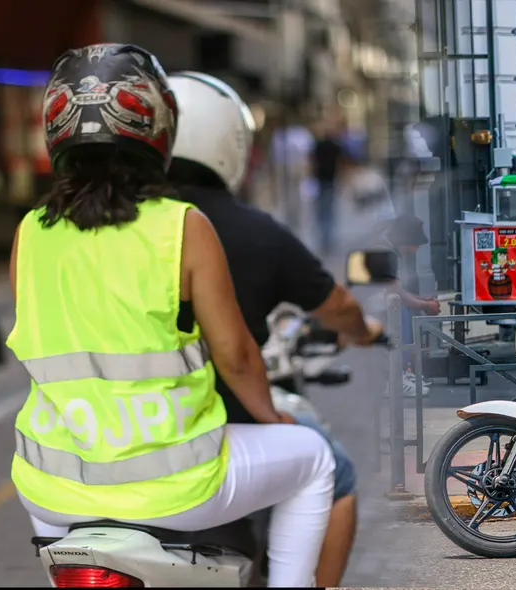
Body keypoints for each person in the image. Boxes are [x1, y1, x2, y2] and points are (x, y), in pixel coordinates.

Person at [6, 44, 334, 588]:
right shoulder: (183, 225)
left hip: (49, 488)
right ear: (158, 127)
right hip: (178, 485)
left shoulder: (29, 232)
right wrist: (272, 418)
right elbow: (235, 354)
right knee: (315, 458)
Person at [167, 71, 381, 587]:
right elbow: (242, 353)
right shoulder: (246, 229)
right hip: (220, 432)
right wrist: (363, 331)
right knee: (334, 471)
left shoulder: (114, 228)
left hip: (102, 445)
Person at [381, 214, 441, 396]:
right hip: (374, 307)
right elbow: (396, 293)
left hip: (380, 303)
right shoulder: (386, 252)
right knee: (401, 312)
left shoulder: (390, 251)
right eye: (415, 244)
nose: (415, 250)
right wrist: (425, 304)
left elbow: (397, 290)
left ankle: (403, 371)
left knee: (403, 309)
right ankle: (396, 377)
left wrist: (422, 300)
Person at [312, 117, 347, 256]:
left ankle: (325, 238)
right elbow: (341, 162)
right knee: (329, 210)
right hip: (329, 180)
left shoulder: (320, 145)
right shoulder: (334, 146)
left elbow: (313, 161)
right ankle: (327, 238)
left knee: (323, 210)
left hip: (322, 180)